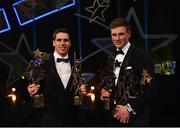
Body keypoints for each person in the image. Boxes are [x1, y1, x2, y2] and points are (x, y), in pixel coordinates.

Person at [99, 18, 157, 126]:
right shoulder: (110, 57)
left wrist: (129, 108)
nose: (117, 38)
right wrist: (104, 92)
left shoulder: (141, 56)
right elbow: (112, 84)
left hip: (135, 120)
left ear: (129, 34)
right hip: (113, 118)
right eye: (114, 35)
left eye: (121, 34)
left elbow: (151, 90)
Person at [27, 27, 87, 126]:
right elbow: (34, 88)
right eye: (59, 40)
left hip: (73, 120)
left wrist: (83, 91)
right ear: (53, 42)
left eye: (65, 40)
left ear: (70, 43)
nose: (62, 43)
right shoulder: (42, 63)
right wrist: (31, 91)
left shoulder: (77, 64)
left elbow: (79, 89)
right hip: (49, 120)